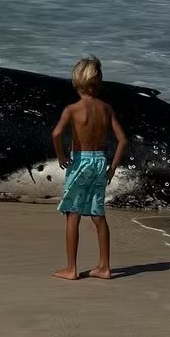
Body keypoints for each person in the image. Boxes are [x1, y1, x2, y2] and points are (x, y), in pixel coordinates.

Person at [51, 56, 128, 280]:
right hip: (99, 162)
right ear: (99, 81)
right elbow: (123, 140)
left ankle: (71, 269)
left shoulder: (72, 109)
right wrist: (112, 168)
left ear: (76, 82)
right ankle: (104, 267)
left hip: (80, 162)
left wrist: (61, 155)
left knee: (72, 214)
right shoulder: (106, 109)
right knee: (98, 214)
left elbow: (56, 134)